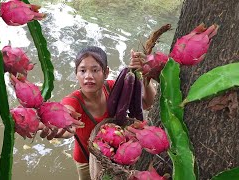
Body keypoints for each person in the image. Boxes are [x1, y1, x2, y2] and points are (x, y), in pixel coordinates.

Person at [40, 46, 156, 180]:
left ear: (106, 72)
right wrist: (59, 126)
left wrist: (145, 75)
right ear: (76, 73)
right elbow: (67, 122)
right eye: (82, 71)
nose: (88, 76)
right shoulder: (72, 101)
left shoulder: (114, 88)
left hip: (115, 157)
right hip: (86, 160)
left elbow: (147, 104)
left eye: (95, 70)